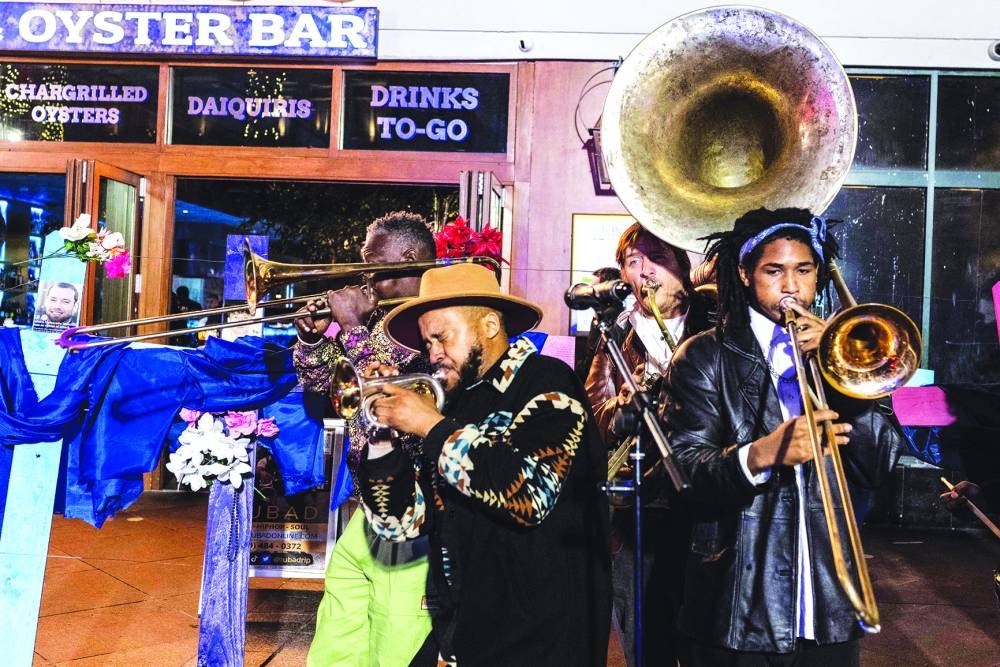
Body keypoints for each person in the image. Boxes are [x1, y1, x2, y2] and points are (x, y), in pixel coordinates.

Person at [664, 207, 906, 665]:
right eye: (774, 271)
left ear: (819, 275)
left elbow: (878, 468)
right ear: (746, 273)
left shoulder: (848, 352)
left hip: (829, 607)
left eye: (804, 270)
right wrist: (760, 455)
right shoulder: (704, 356)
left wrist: (844, 380)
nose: (791, 286)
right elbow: (682, 472)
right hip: (737, 607)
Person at [360, 262, 612, 665]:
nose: (433, 354)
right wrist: (382, 436)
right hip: (468, 632)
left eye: (441, 337)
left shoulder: (547, 381)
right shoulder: (455, 403)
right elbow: (398, 524)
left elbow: (529, 494)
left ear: (490, 327)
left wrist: (429, 424)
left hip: (543, 638)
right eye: (427, 344)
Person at [294, 211, 437, 667]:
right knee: (341, 623)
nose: (364, 270)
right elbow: (320, 387)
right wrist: (313, 342)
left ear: (409, 258)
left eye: (372, 259)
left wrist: (353, 328)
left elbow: (390, 393)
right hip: (367, 501)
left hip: (412, 506)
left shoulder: (430, 322)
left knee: (396, 635)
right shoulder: (376, 319)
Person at [584, 223, 714, 666]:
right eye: (632, 262)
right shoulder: (613, 333)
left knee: (703, 626)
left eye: (656, 256)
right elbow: (594, 416)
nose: (644, 272)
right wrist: (620, 413)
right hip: (637, 503)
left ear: (683, 265)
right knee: (644, 632)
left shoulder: (714, 319)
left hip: (704, 499)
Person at [575, 266, 624, 382]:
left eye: (594, 288)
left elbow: (596, 359)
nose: (589, 293)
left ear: (608, 290)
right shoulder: (599, 317)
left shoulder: (617, 320)